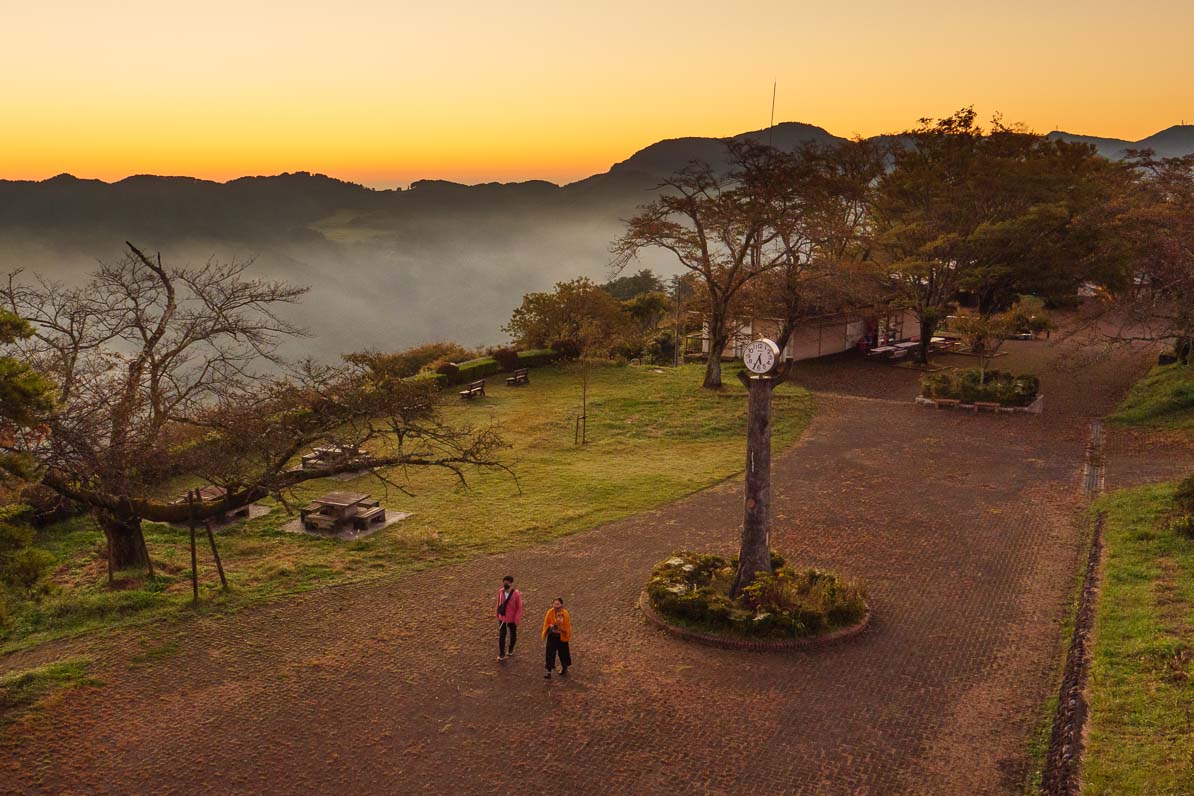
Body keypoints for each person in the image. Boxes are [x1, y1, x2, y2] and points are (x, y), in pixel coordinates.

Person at [540, 597, 572, 679]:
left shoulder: (565, 614)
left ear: (561, 605)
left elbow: (566, 626)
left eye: (558, 604)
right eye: (554, 604)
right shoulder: (550, 612)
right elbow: (546, 623)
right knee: (550, 653)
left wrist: (559, 628)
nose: (556, 606)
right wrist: (550, 626)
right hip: (552, 637)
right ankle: (549, 671)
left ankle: (564, 668)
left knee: (563, 653)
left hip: (561, 637)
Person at [495, 575, 522, 661]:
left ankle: (510, 649)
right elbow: (498, 603)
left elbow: (519, 607)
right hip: (502, 618)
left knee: (513, 635)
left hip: (512, 618)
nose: (505, 584)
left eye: (507, 583)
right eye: (504, 583)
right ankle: (502, 654)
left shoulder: (516, 594)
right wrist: (497, 613)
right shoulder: (500, 591)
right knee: (502, 636)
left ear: (511, 583)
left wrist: (516, 618)